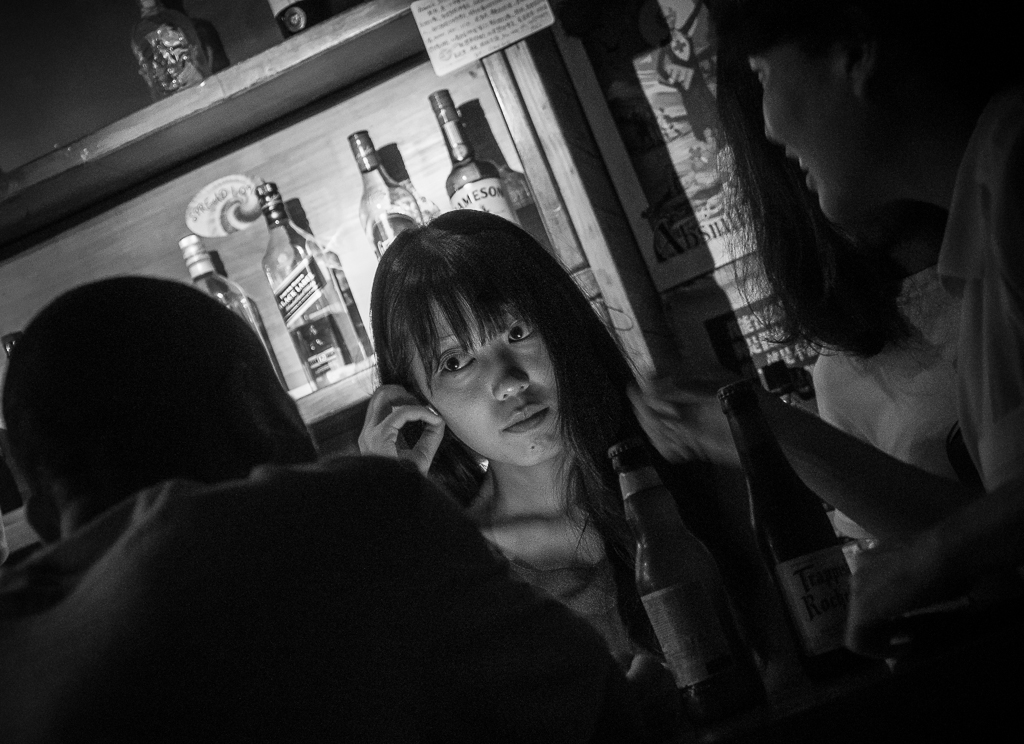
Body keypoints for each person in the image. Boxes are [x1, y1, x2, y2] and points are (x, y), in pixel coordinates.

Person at [0, 275, 641, 743]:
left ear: (39, 511)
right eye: (454, 361)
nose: (508, 381)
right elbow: (608, 718)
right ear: (257, 404)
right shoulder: (345, 517)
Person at [651, 0, 1024, 659]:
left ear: (856, 49)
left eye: (763, 73)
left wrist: (934, 557)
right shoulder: (983, 227)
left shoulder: (1015, 159)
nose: (767, 129)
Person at [358, 210, 797, 699]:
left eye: (517, 332)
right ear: (416, 399)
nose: (508, 382)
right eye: (456, 362)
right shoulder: (457, 575)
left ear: (562, 325)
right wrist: (390, 505)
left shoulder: (693, 467)